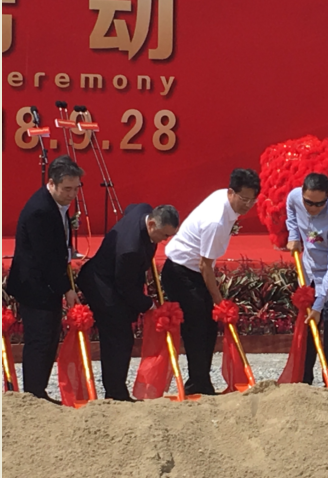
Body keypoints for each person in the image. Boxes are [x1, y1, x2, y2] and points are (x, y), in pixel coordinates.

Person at [161, 169, 260, 395]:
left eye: (252, 200)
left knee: (208, 326)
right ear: (231, 192)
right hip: (181, 271)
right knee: (197, 327)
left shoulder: (224, 200)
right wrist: (219, 302)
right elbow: (205, 266)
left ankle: (201, 381)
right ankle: (197, 384)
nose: (247, 205)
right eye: (243, 199)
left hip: (194, 270)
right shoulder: (216, 221)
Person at [77, 204, 179, 401]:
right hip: (103, 286)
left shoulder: (143, 211)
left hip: (115, 278)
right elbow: (126, 286)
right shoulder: (130, 249)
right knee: (119, 338)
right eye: (164, 235)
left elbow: (132, 208)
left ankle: (115, 390)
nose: (165, 240)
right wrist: (149, 306)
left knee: (121, 335)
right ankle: (115, 393)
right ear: (151, 224)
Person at [6, 156, 84, 402]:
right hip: (35, 287)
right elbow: (45, 259)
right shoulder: (40, 210)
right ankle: (33, 395)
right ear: (51, 183)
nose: (72, 194)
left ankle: (38, 391)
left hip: (46, 284)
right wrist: (66, 289)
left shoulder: (57, 204)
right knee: (40, 341)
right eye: (67, 189)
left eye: (76, 188)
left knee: (49, 339)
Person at [286, 173, 328, 386]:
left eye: (319, 204)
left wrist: (319, 305)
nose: (313, 208)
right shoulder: (295, 197)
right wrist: (293, 235)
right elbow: (290, 208)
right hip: (309, 271)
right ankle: (304, 381)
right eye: (309, 203)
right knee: (307, 327)